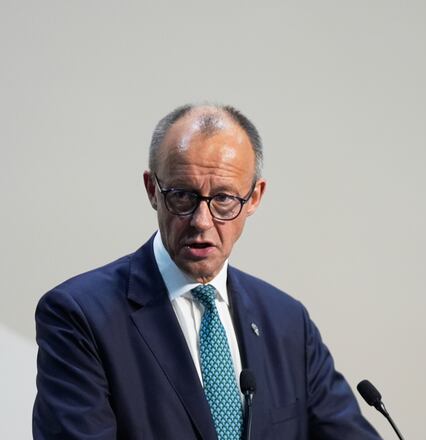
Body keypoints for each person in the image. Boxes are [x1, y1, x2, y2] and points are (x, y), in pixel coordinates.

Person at [33, 104, 381, 440]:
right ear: (153, 190)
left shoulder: (287, 322)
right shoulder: (80, 316)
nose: (202, 221)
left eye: (224, 199)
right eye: (183, 196)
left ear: (254, 197)